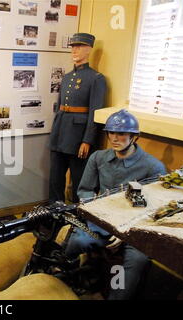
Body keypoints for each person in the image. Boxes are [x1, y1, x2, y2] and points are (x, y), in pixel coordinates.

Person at [65, 109, 167, 300]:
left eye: (121, 133)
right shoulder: (98, 158)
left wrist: (126, 231)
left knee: (136, 261)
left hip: (135, 227)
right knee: (77, 242)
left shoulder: (154, 167)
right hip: (102, 221)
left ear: (134, 136)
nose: (114, 138)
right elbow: (85, 190)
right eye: (111, 133)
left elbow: (154, 210)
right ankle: (69, 284)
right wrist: (99, 217)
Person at [49, 33, 107, 204]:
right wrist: (55, 132)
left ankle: (77, 219)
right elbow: (60, 107)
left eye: (79, 46)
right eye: (73, 46)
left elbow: (95, 112)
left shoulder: (96, 78)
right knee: (55, 180)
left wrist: (87, 140)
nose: (74, 50)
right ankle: (54, 217)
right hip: (60, 135)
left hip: (78, 138)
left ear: (89, 49)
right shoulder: (67, 77)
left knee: (79, 181)